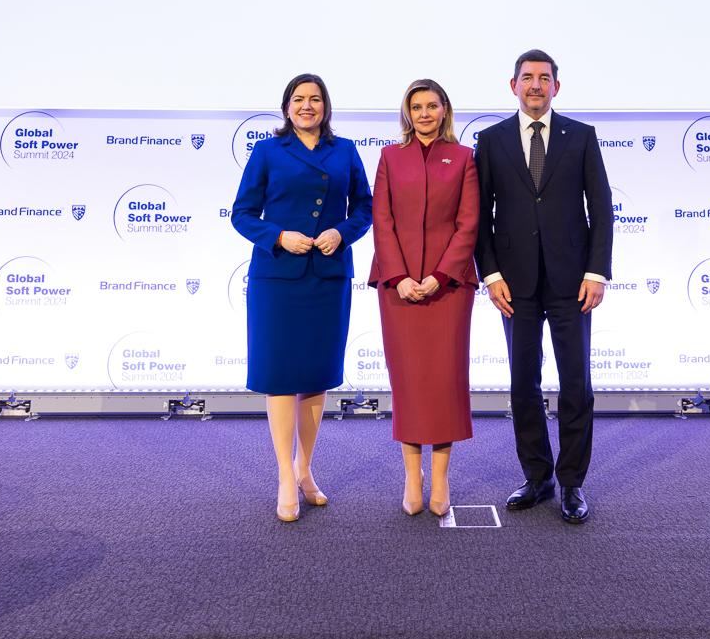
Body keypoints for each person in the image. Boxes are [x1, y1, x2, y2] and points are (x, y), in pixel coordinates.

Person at [475, 49, 613, 524]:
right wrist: (491, 275)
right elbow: (481, 216)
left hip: (573, 281)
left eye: (544, 77)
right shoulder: (490, 140)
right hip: (514, 284)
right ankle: (538, 477)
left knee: (576, 382)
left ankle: (572, 482)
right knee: (522, 383)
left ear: (557, 86)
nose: (535, 85)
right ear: (512, 85)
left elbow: (601, 208)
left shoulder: (582, 136)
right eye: (527, 77)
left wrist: (596, 272)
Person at [231, 73, 372, 522]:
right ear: (286, 107)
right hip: (277, 278)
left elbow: (365, 208)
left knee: (315, 376)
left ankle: (304, 470)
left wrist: (341, 233)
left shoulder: (345, 150)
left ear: (326, 106)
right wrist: (278, 236)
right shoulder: (268, 151)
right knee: (279, 376)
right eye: (298, 99)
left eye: (315, 99)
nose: (307, 105)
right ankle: (284, 478)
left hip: (327, 276)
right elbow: (242, 214)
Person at [368, 79, 480, 517]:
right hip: (398, 288)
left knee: (444, 381)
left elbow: (468, 224)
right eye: (416, 107)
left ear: (444, 110)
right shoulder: (389, 157)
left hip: (448, 289)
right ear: (407, 113)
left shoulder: (465, 158)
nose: (425, 114)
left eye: (432, 106)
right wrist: (398, 277)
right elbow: (382, 221)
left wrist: (439, 276)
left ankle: (441, 478)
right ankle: (412, 479)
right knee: (410, 381)